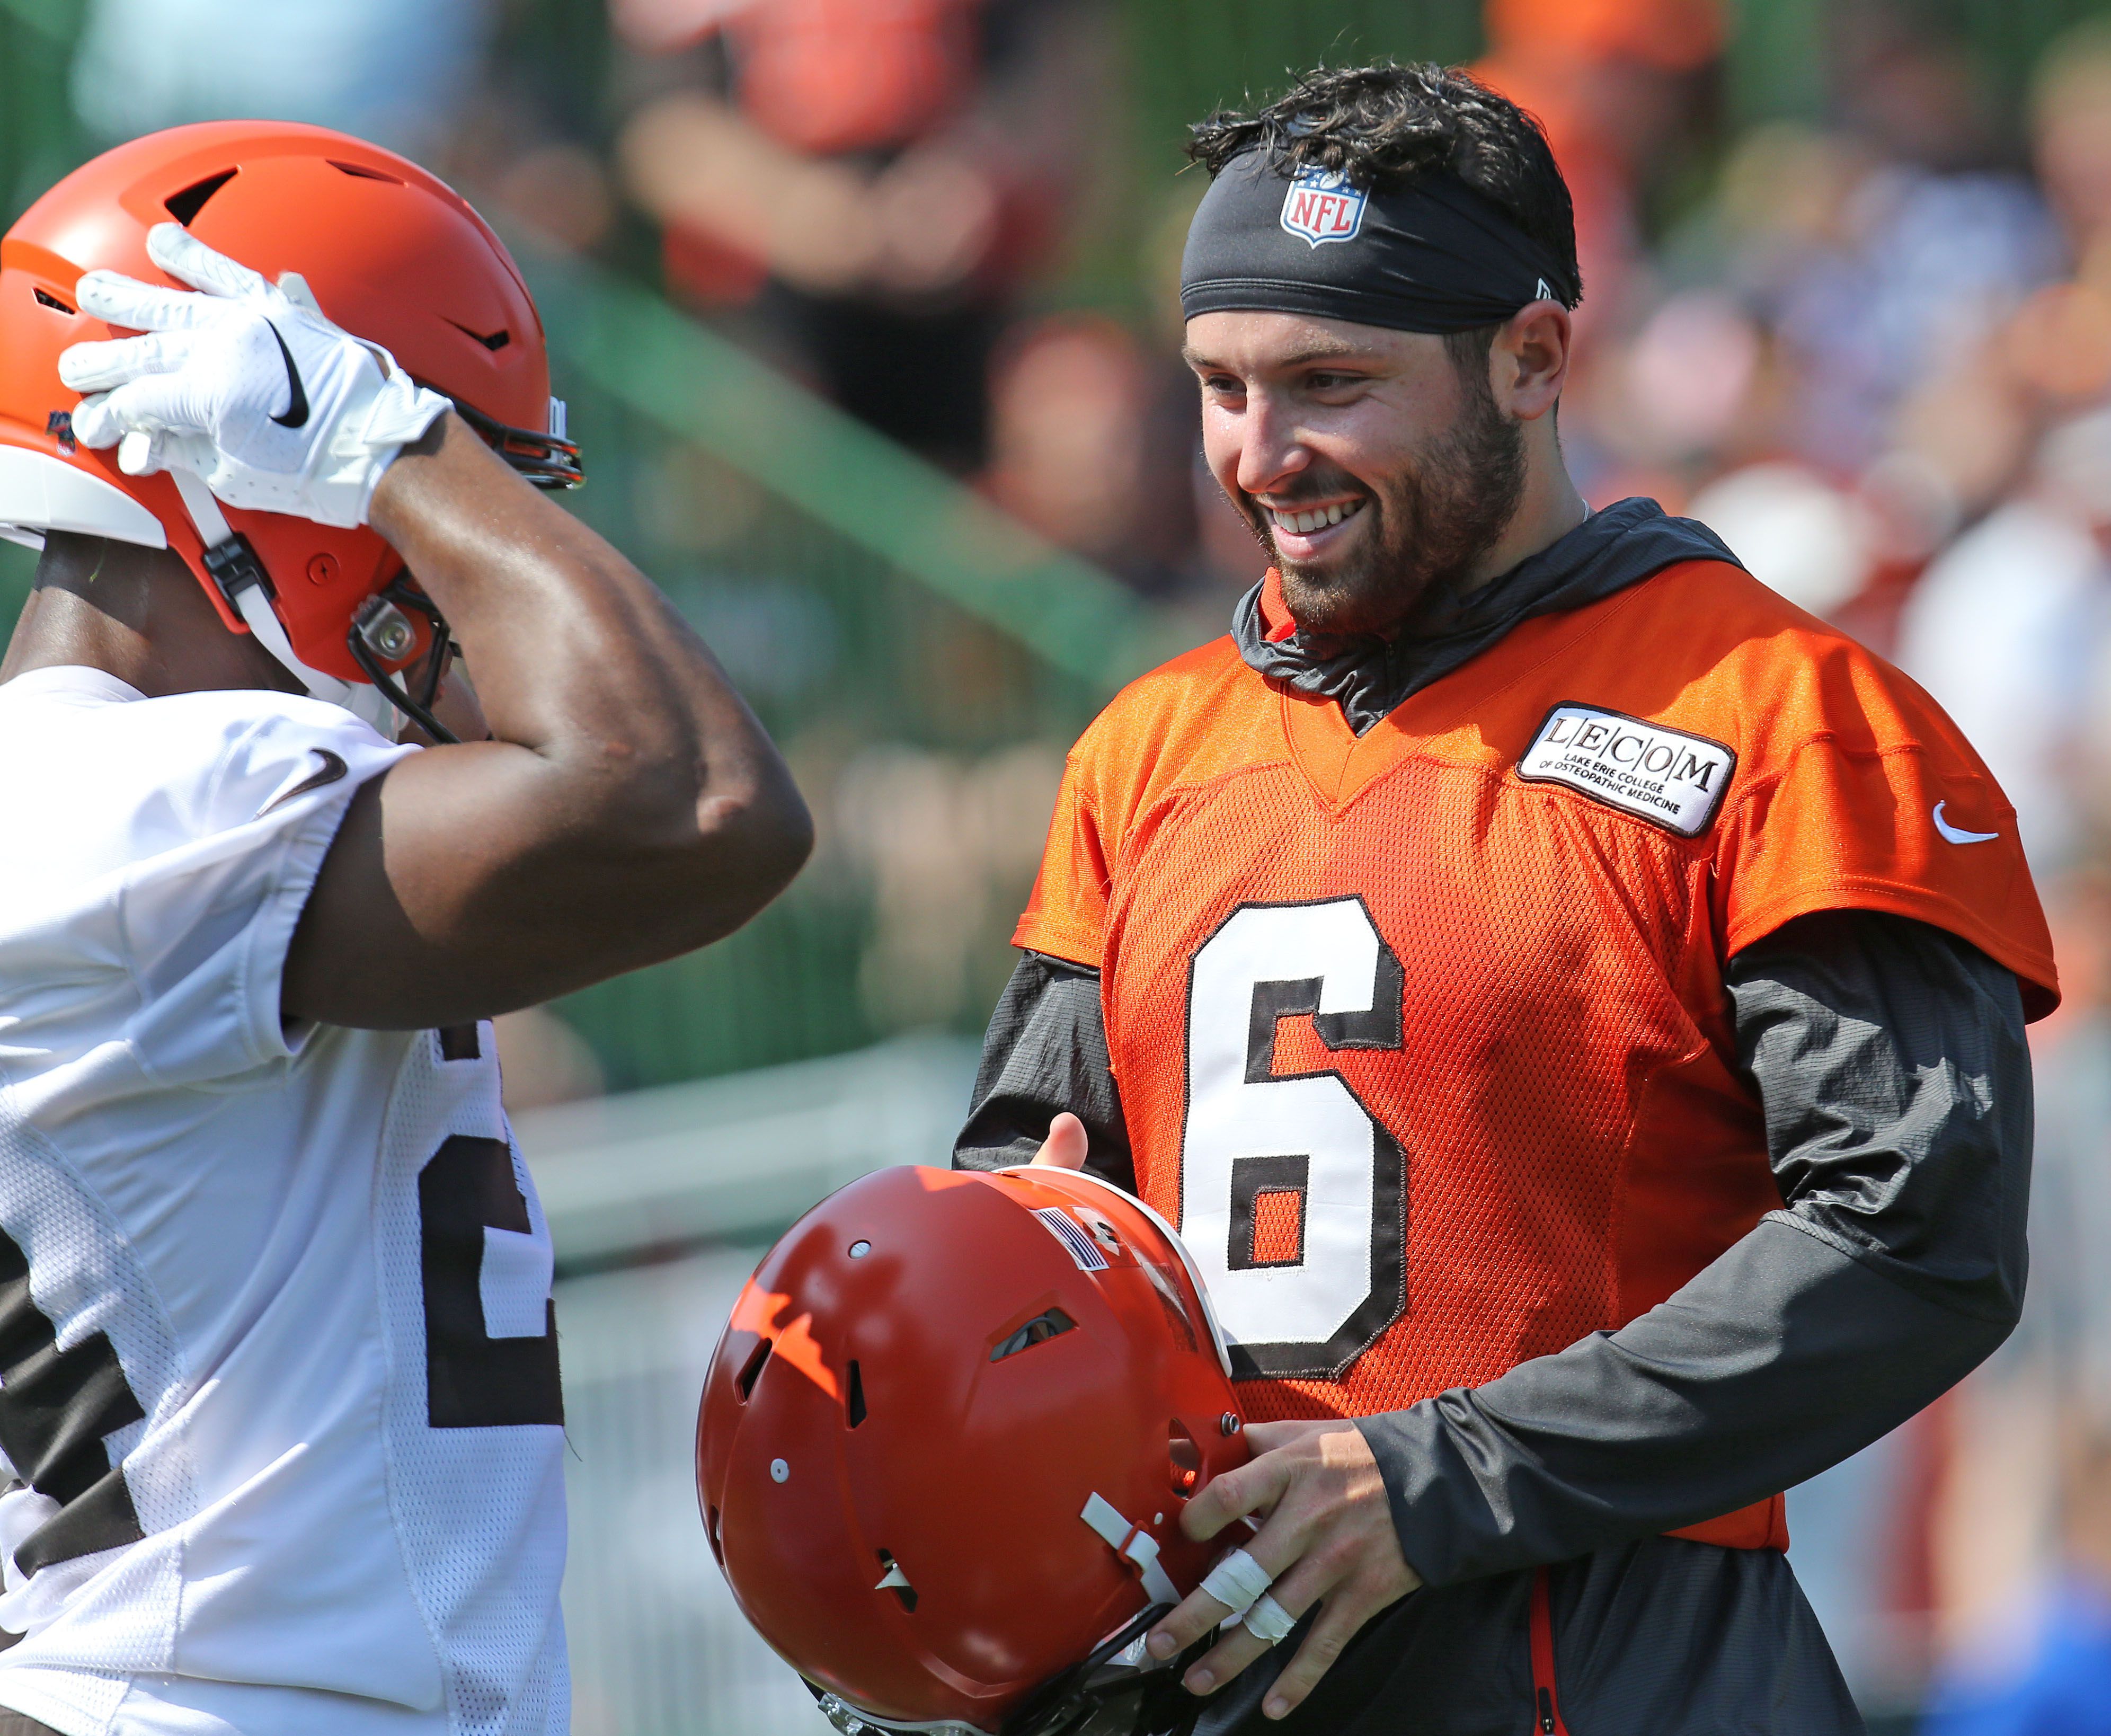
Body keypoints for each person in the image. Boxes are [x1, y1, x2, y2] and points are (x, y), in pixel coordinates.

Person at [954, 64, 2055, 1734]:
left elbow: (1919, 1239)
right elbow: (1028, 1194)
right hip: (1218, 1670)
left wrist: (1441, 1475)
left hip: (1619, 1665)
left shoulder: (1779, 713)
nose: (1260, 455)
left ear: (1534, 359)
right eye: (1220, 386)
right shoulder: (1145, 747)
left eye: (1330, 382)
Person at [0, 125, 809, 1735]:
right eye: (466, 475)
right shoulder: (132, 801)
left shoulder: (92, 811)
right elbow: (702, 799)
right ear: (261, 472)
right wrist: (396, 453)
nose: (471, 552)